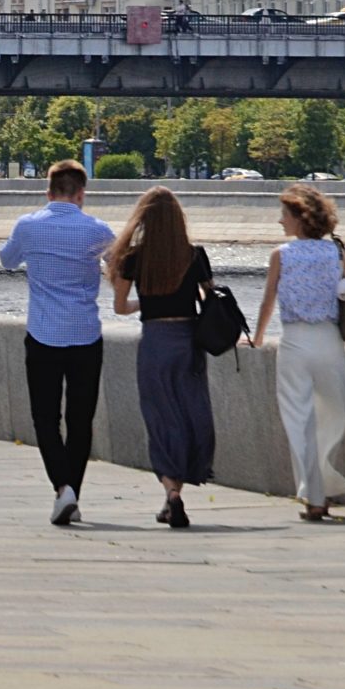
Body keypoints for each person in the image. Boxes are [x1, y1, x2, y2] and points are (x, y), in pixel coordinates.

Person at [0, 158, 115, 525]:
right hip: (85, 335)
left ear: (48, 191)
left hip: (43, 335)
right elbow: (119, 267)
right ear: (81, 194)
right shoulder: (97, 230)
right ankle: (71, 492)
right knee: (81, 420)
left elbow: (6, 261)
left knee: (45, 417)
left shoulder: (29, 226)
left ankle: (63, 489)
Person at [109, 185, 218, 527]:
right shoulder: (194, 254)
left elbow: (120, 307)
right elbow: (211, 299)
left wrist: (150, 302)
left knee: (161, 417)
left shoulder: (133, 259)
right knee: (189, 415)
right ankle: (177, 495)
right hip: (188, 341)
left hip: (155, 342)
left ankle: (172, 495)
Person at [254, 183, 345, 521]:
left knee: (299, 419)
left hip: (295, 342)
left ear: (299, 218)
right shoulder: (337, 252)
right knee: (333, 415)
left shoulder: (281, 255)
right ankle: (323, 480)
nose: (280, 221)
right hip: (329, 341)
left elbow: (268, 301)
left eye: (284, 215)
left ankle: (315, 494)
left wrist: (257, 338)